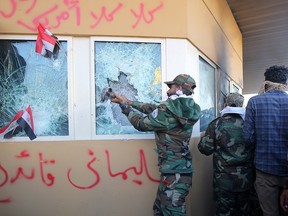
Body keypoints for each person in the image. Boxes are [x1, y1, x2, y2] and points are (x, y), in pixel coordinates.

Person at [111, 74, 201, 216]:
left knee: (172, 212)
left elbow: (141, 124)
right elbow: (154, 109)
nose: (168, 89)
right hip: (178, 171)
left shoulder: (167, 111)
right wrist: (129, 102)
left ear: (178, 88)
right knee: (159, 210)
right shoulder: (188, 109)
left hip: (173, 174)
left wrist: (124, 107)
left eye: (170, 86)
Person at [197, 92, 254, 216]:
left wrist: (203, 137)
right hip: (246, 178)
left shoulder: (216, 124)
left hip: (223, 179)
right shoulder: (250, 124)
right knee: (245, 211)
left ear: (225, 104)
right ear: (241, 105)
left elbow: (205, 149)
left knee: (224, 212)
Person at [244, 65, 288, 216]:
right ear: (286, 83)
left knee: (269, 213)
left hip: (264, 169)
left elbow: (247, 138)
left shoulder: (254, 102)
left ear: (265, 82)